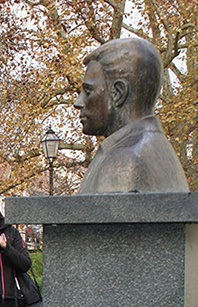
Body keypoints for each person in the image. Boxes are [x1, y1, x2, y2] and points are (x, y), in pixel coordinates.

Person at [74, 38, 189, 195]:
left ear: (118, 93)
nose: (78, 102)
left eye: (88, 91)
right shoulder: (159, 152)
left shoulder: (124, 160)